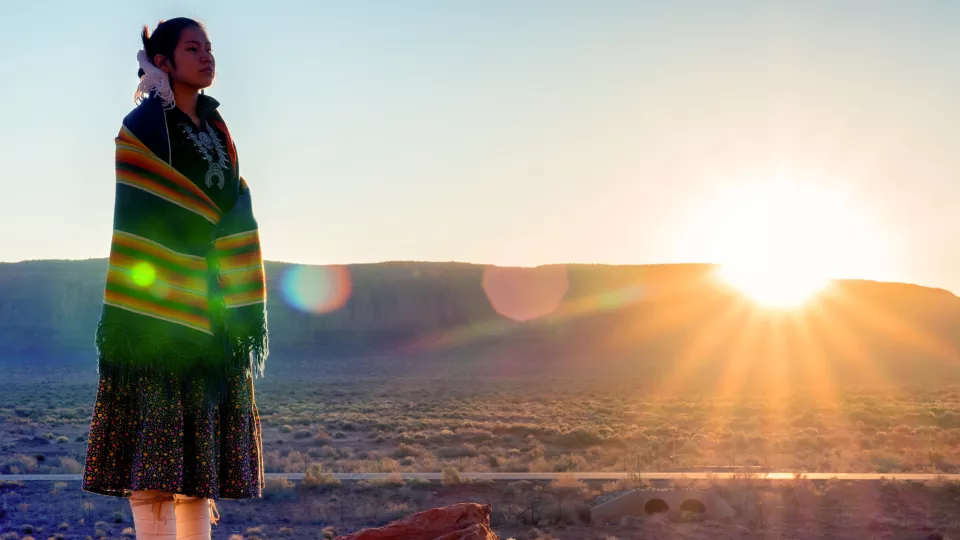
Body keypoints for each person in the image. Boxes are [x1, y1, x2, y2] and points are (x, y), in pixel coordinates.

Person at [81, 17, 269, 540]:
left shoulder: (218, 130)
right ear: (163, 62)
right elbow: (145, 203)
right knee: (156, 460)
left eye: (210, 48)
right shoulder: (143, 126)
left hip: (214, 313)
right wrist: (208, 227)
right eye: (193, 48)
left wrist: (224, 235)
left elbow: (237, 200)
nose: (207, 57)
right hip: (157, 320)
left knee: (196, 459)